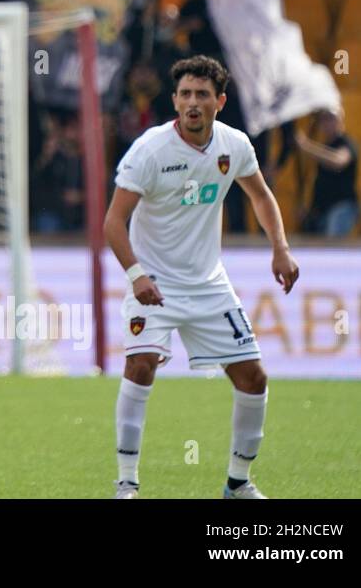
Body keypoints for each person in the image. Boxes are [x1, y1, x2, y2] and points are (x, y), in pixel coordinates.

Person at [103, 56, 299, 499]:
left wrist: (280, 249)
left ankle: (238, 483)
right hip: (153, 283)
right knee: (140, 365)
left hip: (209, 284)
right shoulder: (150, 150)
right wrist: (136, 275)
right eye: (186, 95)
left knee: (254, 378)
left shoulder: (235, 145)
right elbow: (114, 222)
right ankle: (127, 484)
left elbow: (262, 197)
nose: (193, 103)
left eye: (202, 95)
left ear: (220, 102)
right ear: (174, 100)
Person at [296, 109, 359, 238]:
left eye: (331, 118)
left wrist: (306, 146)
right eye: (323, 119)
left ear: (340, 120)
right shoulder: (325, 146)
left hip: (341, 208)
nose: (327, 123)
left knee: (332, 248)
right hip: (321, 211)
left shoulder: (347, 143)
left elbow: (339, 161)